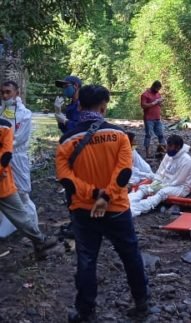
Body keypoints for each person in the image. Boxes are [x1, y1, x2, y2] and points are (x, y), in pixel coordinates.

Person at [56, 85, 148, 322]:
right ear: (104, 106)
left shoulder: (67, 141)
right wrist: (106, 196)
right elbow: (125, 172)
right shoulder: (119, 136)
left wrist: (94, 194)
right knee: (130, 255)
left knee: (86, 260)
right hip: (116, 207)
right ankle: (142, 303)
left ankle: (85, 311)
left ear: (79, 105)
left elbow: (66, 179)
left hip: (83, 209)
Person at [0, 116, 56, 258]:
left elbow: (7, 153)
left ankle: (40, 241)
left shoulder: (5, 126)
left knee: (20, 213)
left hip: (3, 182)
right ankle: (40, 241)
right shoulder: (5, 126)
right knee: (19, 214)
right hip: (3, 181)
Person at [0, 81, 40, 233]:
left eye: (8, 92)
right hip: (2, 157)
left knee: (23, 193)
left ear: (17, 93)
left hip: (16, 157)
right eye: (2, 92)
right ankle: (9, 227)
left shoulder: (25, 114)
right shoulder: (1, 111)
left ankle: (34, 228)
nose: (4, 95)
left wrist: (5, 144)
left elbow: (19, 138)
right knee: (4, 193)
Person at [129, 135, 191, 217]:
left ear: (177, 147)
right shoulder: (168, 156)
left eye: (170, 146)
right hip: (165, 183)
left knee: (162, 192)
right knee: (146, 188)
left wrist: (160, 186)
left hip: (180, 187)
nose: (167, 148)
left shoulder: (187, 161)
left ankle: (139, 207)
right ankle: (129, 201)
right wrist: (156, 183)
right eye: (167, 145)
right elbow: (160, 172)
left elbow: (178, 181)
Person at [140, 80, 166, 158]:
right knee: (148, 135)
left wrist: (160, 102)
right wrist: (154, 103)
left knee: (161, 135)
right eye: (157, 89)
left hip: (157, 118)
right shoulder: (145, 94)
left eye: (159, 89)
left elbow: (160, 105)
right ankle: (147, 153)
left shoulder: (158, 94)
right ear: (153, 87)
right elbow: (143, 106)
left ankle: (162, 151)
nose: (158, 90)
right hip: (149, 118)